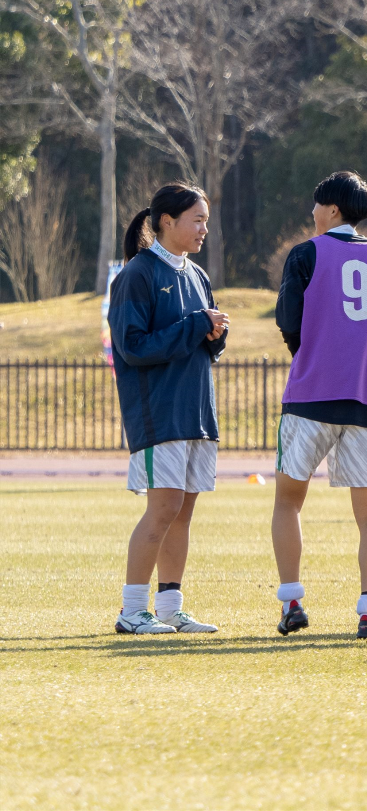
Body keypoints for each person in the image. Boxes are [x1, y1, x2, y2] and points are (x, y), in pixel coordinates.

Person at [273, 171, 367, 639]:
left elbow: (289, 319)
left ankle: (292, 603)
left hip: (311, 395)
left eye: (316, 206)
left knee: (288, 502)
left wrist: (310, 355)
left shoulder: (307, 252)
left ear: (331, 209)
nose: (312, 213)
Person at [109, 184, 228, 634]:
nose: (203, 230)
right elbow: (133, 346)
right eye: (196, 220)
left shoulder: (197, 275)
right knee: (162, 511)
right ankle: (132, 610)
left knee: (183, 513)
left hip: (197, 412)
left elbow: (198, 341)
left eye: (206, 221)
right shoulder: (137, 274)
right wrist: (196, 325)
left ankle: (170, 608)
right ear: (166, 222)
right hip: (160, 414)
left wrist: (215, 336)